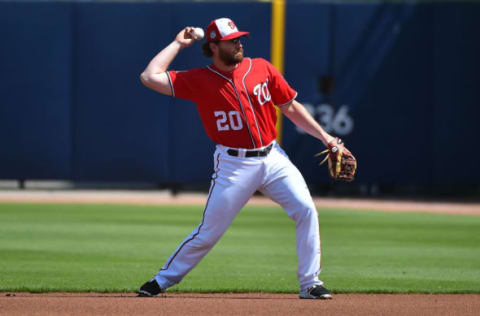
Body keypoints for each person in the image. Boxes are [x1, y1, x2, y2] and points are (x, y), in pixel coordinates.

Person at [138, 17, 344, 299]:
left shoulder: (261, 68)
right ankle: (162, 280)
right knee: (208, 233)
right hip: (233, 165)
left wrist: (327, 138)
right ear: (213, 46)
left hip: (273, 158)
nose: (239, 43)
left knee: (306, 210)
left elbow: (290, 107)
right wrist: (177, 44)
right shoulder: (199, 79)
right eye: (232, 40)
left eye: (239, 38)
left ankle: (310, 283)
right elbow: (149, 77)